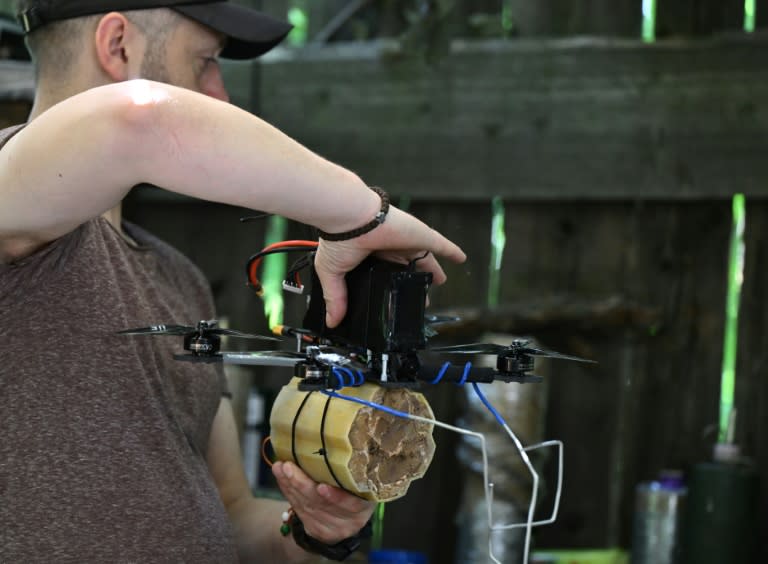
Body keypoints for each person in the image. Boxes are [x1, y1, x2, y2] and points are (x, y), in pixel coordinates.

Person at [0, 1, 466, 562]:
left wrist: (321, 529)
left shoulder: (178, 279)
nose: (219, 93)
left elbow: (234, 514)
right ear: (117, 44)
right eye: (204, 62)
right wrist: (364, 216)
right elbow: (140, 121)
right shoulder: (8, 199)